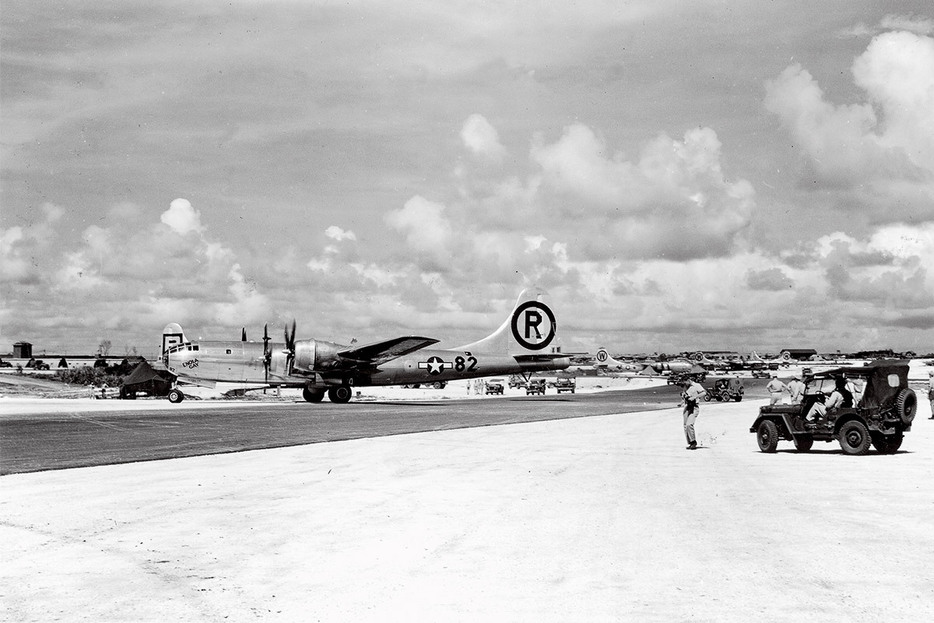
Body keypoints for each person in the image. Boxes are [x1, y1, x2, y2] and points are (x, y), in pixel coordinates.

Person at [680, 378, 706, 450]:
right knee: (685, 426)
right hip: (687, 407)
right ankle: (690, 442)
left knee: (689, 424)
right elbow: (684, 396)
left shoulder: (696, 385)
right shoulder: (686, 387)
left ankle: (693, 442)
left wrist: (694, 397)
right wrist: (681, 402)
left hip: (694, 407)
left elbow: (704, 393)